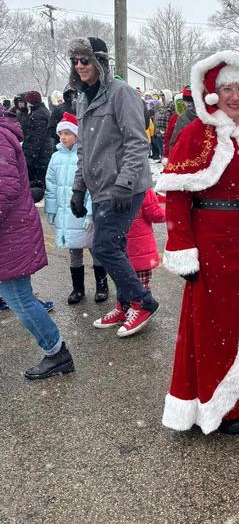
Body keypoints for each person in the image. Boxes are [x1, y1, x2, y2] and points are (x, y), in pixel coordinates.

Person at [156, 51, 239, 435]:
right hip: (214, 244)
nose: (235, 96)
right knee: (218, 326)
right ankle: (224, 406)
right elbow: (178, 197)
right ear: (214, 95)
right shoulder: (198, 134)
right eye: (228, 89)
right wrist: (183, 249)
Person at [67, 37, 159, 336]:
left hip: (124, 187)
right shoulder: (82, 97)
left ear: (99, 61)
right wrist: (78, 188)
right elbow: (84, 149)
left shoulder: (121, 93)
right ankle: (124, 305)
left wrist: (125, 183)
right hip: (99, 187)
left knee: (103, 246)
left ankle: (142, 301)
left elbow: (137, 141)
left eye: (85, 59)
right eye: (75, 60)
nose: (80, 66)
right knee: (115, 245)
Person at [0, 107, 74, 379]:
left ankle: (56, 353)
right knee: (17, 296)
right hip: (10, 231)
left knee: (19, 298)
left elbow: (4, 189)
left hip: (10, 234)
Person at [44, 112, 108, 304]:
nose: (63, 137)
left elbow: (93, 186)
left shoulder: (86, 155)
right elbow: (51, 185)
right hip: (66, 214)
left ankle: (101, 286)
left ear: (76, 135)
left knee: (94, 248)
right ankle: (78, 289)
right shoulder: (55, 158)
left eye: (67, 133)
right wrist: (52, 209)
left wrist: (90, 211)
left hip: (83, 213)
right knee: (74, 251)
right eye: (60, 133)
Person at [126, 188, 165, 292]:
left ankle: (122, 307)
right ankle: (141, 307)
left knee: (123, 282)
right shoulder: (144, 189)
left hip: (120, 245)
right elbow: (156, 215)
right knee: (141, 284)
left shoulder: (112, 186)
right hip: (140, 248)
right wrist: (170, 211)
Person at [22, 90, 54, 199]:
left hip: (39, 155)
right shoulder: (41, 112)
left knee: (38, 183)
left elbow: (37, 138)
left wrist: (30, 156)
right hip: (42, 153)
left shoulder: (38, 115)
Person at [153, 90, 174, 161]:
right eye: (161, 95)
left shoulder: (171, 104)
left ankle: (168, 158)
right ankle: (162, 157)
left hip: (167, 128)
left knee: (166, 145)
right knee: (160, 144)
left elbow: (173, 116)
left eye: (163, 95)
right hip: (159, 129)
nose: (161, 97)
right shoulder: (161, 104)